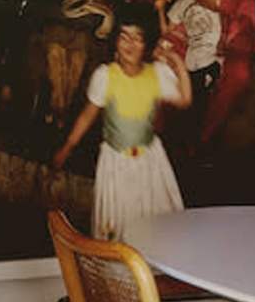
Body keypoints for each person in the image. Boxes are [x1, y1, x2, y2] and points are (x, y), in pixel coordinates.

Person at [56, 18, 188, 238]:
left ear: (147, 45)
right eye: (124, 36)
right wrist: (68, 146)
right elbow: (88, 115)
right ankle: (119, 268)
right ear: (115, 42)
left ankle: (150, 268)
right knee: (118, 224)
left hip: (150, 162)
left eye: (137, 38)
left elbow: (184, 100)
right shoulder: (105, 76)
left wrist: (177, 63)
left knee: (156, 222)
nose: (130, 44)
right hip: (116, 162)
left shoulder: (156, 73)